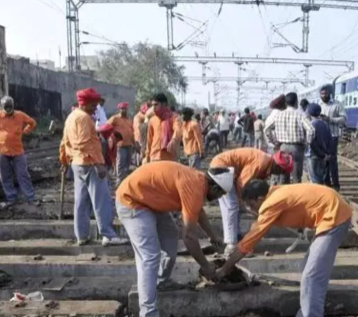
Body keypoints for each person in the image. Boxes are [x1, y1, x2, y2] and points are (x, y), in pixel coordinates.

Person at [216, 180, 352, 317]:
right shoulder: (272, 192)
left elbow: (248, 243)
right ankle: (310, 308)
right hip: (332, 210)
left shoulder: (270, 203)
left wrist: (225, 269)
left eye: (252, 205)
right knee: (307, 267)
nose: (251, 209)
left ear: (260, 198)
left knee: (312, 275)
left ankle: (311, 314)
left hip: (334, 218)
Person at [116, 163, 232, 317]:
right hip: (132, 200)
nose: (219, 198)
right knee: (149, 257)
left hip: (149, 200)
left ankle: (161, 281)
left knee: (170, 234)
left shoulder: (199, 182)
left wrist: (212, 236)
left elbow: (198, 210)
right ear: (216, 188)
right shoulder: (195, 186)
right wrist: (205, 265)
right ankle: (148, 312)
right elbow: (189, 237)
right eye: (221, 195)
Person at [59, 88, 128, 246]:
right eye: (93, 105)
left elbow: (64, 142)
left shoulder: (71, 117)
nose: (96, 108)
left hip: (77, 163)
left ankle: (81, 235)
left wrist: (64, 160)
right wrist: (97, 163)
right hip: (90, 164)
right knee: (101, 200)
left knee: (81, 201)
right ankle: (108, 235)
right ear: (85, 104)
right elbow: (84, 143)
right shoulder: (84, 118)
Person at [210, 148, 293, 254]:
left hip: (230, 171)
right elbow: (242, 183)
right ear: (277, 166)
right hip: (221, 167)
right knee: (231, 205)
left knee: (235, 206)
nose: (279, 174)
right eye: (281, 171)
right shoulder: (261, 162)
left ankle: (237, 237)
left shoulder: (265, 165)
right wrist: (245, 202)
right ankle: (231, 246)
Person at [265, 92, 315, 184]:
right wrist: (307, 142)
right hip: (297, 148)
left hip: (282, 147)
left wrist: (274, 142)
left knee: (283, 175)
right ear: (296, 102)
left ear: (285, 103)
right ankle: (295, 196)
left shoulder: (278, 115)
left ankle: (284, 195)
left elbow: (266, 129)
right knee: (296, 177)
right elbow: (311, 130)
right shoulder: (300, 115)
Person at [0, 96, 36, 207]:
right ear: (2, 107)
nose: (8, 109)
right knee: (5, 176)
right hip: (2, 151)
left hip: (17, 151)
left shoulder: (20, 115)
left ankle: (30, 197)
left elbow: (32, 122)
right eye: (6, 107)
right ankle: (11, 197)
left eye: (10, 107)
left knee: (23, 174)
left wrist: (26, 131)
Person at [319, 84, 346, 191]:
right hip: (321, 138)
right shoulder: (319, 105)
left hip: (333, 136)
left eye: (325, 94)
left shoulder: (337, 105)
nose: (323, 96)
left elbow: (344, 119)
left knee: (332, 162)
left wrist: (330, 119)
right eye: (321, 94)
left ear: (330, 94)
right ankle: (327, 185)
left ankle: (336, 185)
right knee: (323, 162)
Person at [145, 93, 180, 163]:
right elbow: (149, 140)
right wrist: (147, 157)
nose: (153, 108)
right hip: (154, 157)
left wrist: (174, 140)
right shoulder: (152, 120)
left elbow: (178, 129)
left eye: (156, 105)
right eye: (153, 105)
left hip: (169, 157)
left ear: (164, 104)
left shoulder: (174, 117)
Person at [107, 102, 134, 186]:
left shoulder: (129, 120)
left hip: (129, 144)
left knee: (127, 163)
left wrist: (134, 142)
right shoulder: (115, 118)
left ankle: (124, 180)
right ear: (119, 109)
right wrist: (111, 138)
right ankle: (119, 181)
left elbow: (132, 132)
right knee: (120, 163)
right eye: (122, 108)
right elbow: (106, 127)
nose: (123, 110)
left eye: (125, 108)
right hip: (120, 145)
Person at [306, 103, 331, 185]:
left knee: (314, 179)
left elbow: (311, 141)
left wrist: (320, 154)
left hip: (313, 154)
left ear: (309, 113)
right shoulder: (325, 124)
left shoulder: (311, 125)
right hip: (324, 155)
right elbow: (329, 139)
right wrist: (326, 154)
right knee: (320, 178)